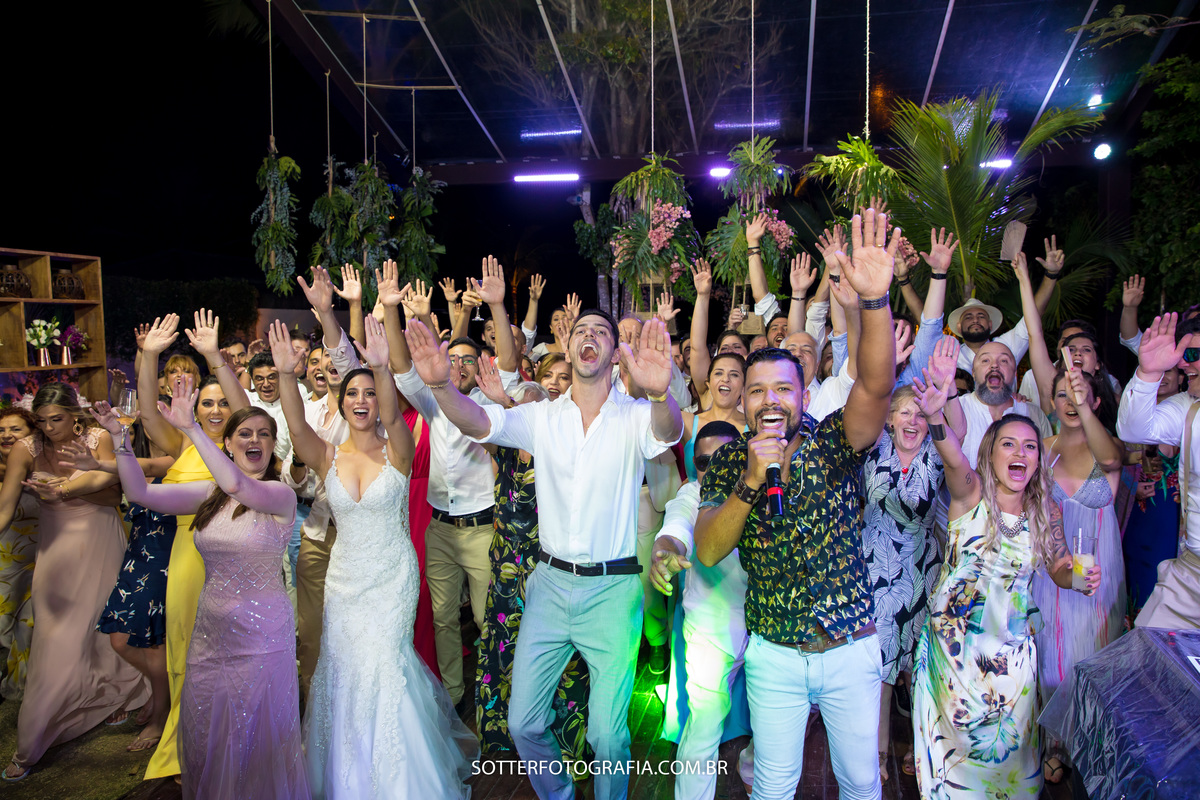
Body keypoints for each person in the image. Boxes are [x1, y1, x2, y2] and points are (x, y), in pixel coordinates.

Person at [406, 305, 683, 800]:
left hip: (612, 590)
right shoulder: (539, 418)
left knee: (606, 735)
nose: (590, 336)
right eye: (582, 330)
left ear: (615, 353)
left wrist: (661, 393)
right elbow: (478, 423)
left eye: (602, 331)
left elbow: (666, 433)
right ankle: (556, 794)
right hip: (549, 586)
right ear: (569, 346)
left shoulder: (635, 415)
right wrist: (442, 386)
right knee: (524, 722)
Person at [694, 208, 900, 800]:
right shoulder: (732, 460)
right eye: (757, 391)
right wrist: (753, 480)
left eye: (783, 387)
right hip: (775, 655)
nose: (770, 400)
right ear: (745, 402)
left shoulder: (834, 439)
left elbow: (877, 386)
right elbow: (708, 550)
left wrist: (875, 300)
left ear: (803, 393)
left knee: (861, 785)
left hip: (849, 647)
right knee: (774, 787)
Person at [269, 316, 476, 798]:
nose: (361, 401)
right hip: (344, 580)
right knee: (342, 668)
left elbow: (390, 414)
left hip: (390, 576)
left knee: (385, 665)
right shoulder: (327, 456)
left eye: (368, 393)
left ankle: (398, 779)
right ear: (341, 404)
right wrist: (284, 375)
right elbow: (295, 424)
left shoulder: (398, 448)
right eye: (352, 394)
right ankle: (349, 775)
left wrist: (382, 368)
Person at [108, 379, 308, 799]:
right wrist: (119, 440)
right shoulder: (210, 495)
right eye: (245, 434)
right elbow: (139, 492)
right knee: (212, 727)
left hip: (261, 634)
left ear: (273, 446)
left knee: (256, 728)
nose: (255, 440)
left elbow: (239, 487)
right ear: (231, 444)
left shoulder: (278, 494)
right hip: (210, 632)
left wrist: (193, 430)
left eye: (264, 434)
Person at [910, 366, 1100, 797]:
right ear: (991, 452)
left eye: (1030, 446)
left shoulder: (1046, 509)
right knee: (953, 763)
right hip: (956, 656)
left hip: (1012, 662)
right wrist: (937, 419)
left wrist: (1079, 579)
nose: (1020, 452)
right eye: (1008, 444)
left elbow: (1058, 567)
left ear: (1038, 458)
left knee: (1010, 765)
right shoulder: (970, 492)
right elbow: (952, 457)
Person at [0, 384, 150, 781]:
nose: (50, 429)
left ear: (73, 413)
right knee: (54, 636)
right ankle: (32, 739)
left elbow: (115, 483)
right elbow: (5, 505)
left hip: (100, 536)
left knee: (101, 624)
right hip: (56, 551)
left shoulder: (97, 437)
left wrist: (64, 487)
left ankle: (117, 692)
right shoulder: (25, 449)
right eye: (43, 421)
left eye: (58, 419)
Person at [137, 311, 251, 781]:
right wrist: (149, 357)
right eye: (208, 403)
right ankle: (191, 744)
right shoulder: (182, 441)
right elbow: (146, 411)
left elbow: (245, 407)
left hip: (237, 562)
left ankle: (238, 740)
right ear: (193, 408)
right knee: (187, 652)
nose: (217, 410)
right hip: (188, 562)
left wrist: (213, 358)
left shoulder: (245, 445)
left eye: (224, 402)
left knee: (235, 654)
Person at [470, 359, 591, 768]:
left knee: (559, 655)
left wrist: (507, 399)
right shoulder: (502, 448)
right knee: (504, 649)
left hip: (549, 567)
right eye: (518, 410)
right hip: (506, 564)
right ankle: (505, 738)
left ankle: (565, 741)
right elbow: (481, 425)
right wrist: (502, 404)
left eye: (530, 408)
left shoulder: (564, 449)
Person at [862, 337, 964, 783]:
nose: (911, 418)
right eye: (902, 410)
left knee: (918, 670)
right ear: (888, 418)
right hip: (875, 569)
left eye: (919, 412)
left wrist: (944, 391)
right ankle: (878, 752)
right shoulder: (872, 448)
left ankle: (923, 752)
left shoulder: (937, 455)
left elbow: (957, 433)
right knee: (882, 671)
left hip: (922, 570)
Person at [57, 404, 177, 754]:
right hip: (136, 557)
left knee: (149, 644)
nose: (157, 429)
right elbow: (103, 477)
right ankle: (165, 690)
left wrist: (89, 471)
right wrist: (71, 480)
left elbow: (145, 468)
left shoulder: (180, 461)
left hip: (165, 561)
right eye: (152, 424)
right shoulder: (132, 457)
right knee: (121, 640)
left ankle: (161, 710)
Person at [1030, 365, 1126, 783]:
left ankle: (1088, 746)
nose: (1072, 402)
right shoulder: (1040, 450)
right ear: (1051, 402)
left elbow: (1108, 460)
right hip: (1051, 572)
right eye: (1064, 395)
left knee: (1091, 660)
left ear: (1097, 400)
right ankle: (1054, 745)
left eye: (1082, 394)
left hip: (1097, 576)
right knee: (1052, 662)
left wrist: (1086, 410)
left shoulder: (1109, 446)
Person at [650, 420, 753, 800]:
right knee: (704, 728)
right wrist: (665, 553)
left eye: (724, 458)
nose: (713, 469)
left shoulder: (766, 489)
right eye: (704, 462)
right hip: (712, 627)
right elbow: (674, 530)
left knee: (773, 729)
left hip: (768, 627)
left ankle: (752, 764)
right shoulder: (692, 494)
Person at [1117, 313, 1200, 628]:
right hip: (1191, 569)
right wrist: (1148, 372)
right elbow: (1134, 430)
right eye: (1181, 357)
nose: (1183, 365)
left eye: (1192, 355)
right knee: (1147, 639)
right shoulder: (1187, 407)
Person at [946, 235, 1061, 370]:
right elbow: (927, 324)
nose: (975, 320)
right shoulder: (949, 353)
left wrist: (1051, 275)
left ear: (990, 324)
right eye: (968, 317)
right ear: (959, 327)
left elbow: (1033, 317)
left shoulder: (1006, 346)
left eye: (981, 316)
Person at [1123, 367, 1186, 612]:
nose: (1163, 377)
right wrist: (1131, 487)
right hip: (1142, 518)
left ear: (1182, 377)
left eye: (1169, 371)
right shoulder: (1136, 420)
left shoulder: (1190, 417)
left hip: (1178, 522)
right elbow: (1110, 462)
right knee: (1142, 589)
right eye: (1157, 372)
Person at [958, 341, 1052, 468]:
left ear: (1014, 374)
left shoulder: (1034, 415)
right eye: (985, 360)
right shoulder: (956, 409)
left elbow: (1046, 469)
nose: (994, 366)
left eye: (1003, 361)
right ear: (973, 373)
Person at [0, 408, 39, 700]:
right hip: (4, 558)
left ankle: (21, 685)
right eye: (1, 430)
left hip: (39, 556)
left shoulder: (40, 467)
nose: (6, 435)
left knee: (29, 625)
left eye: (15, 429)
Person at [681, 353, 746, 481]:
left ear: (744, 386)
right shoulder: (688, 422)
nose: (725, 379)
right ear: (709, 383)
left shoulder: (754, 427)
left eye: (734, 374)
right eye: (718, 373)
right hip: (694, 500)